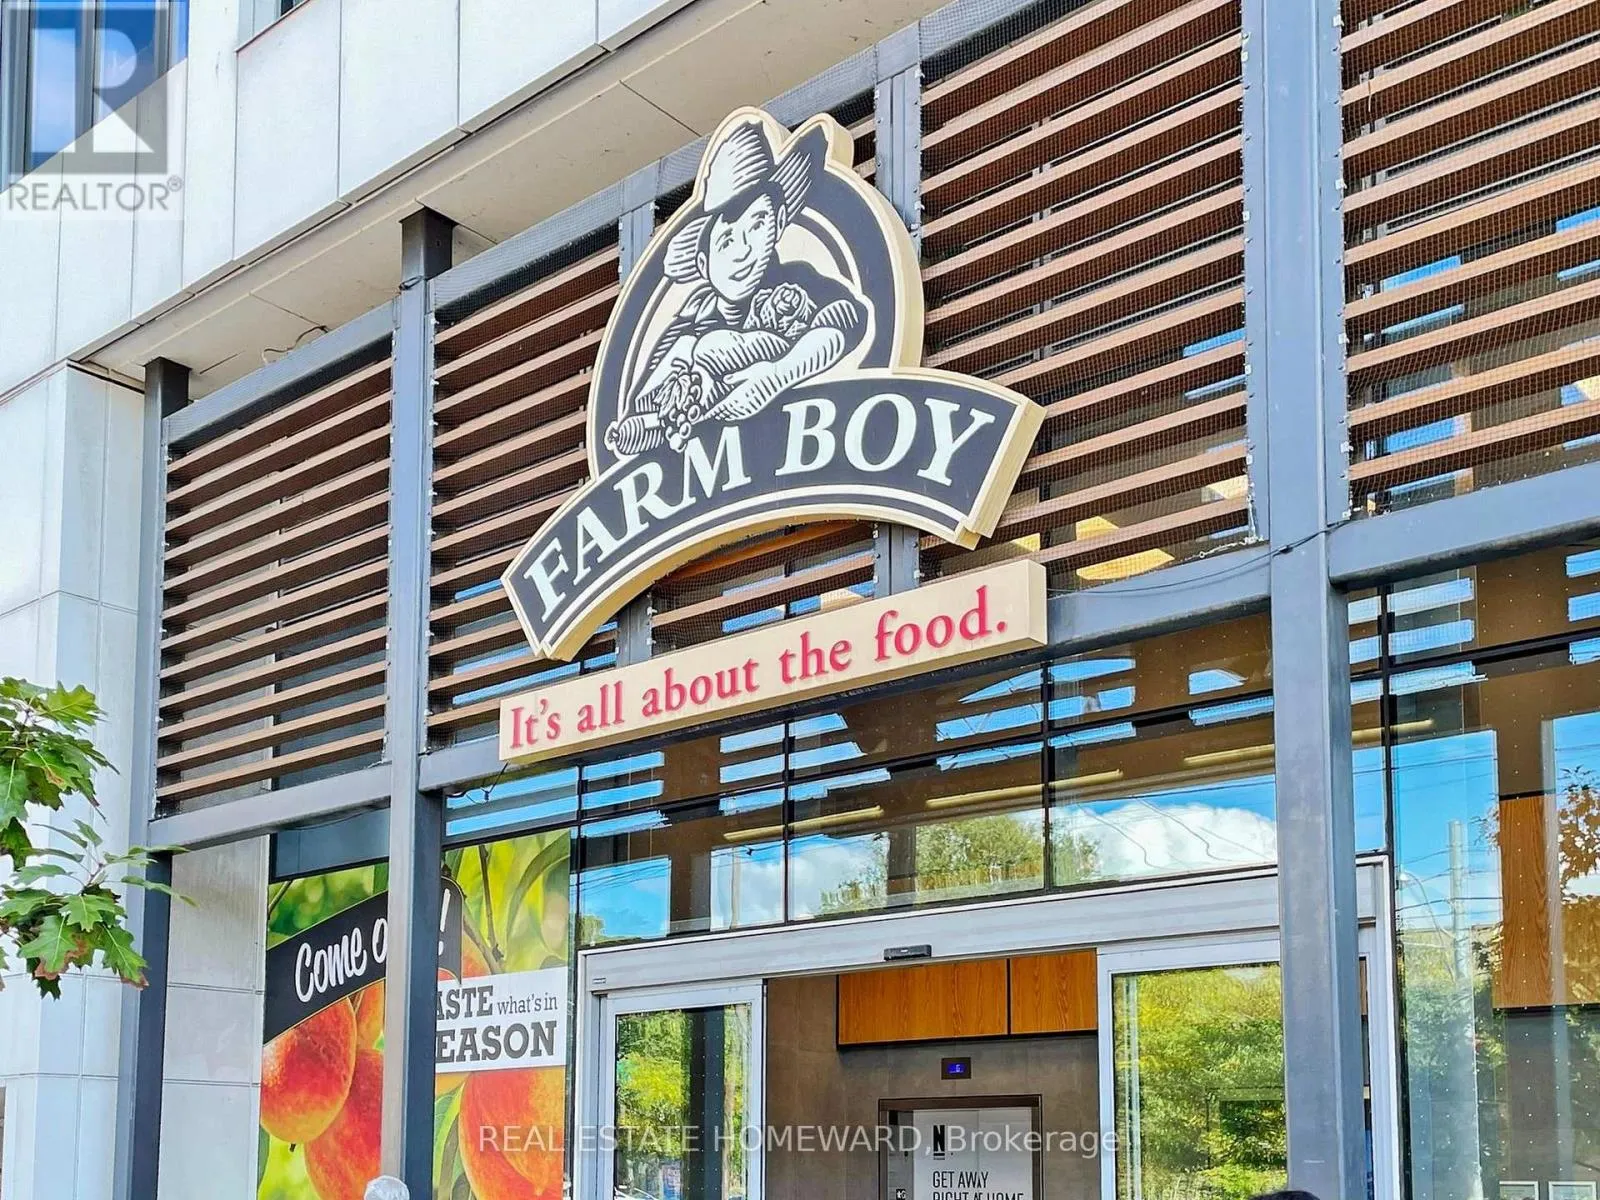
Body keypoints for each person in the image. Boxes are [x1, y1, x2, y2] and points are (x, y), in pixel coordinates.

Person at [607, 116, 868, 456]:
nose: (743, 251)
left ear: (778, 223)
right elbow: (643, 407)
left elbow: (848, 316)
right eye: (727, 240)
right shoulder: (691, 319)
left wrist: (778, 373)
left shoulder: (794, 282)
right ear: (703, 263)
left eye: (757, 225)